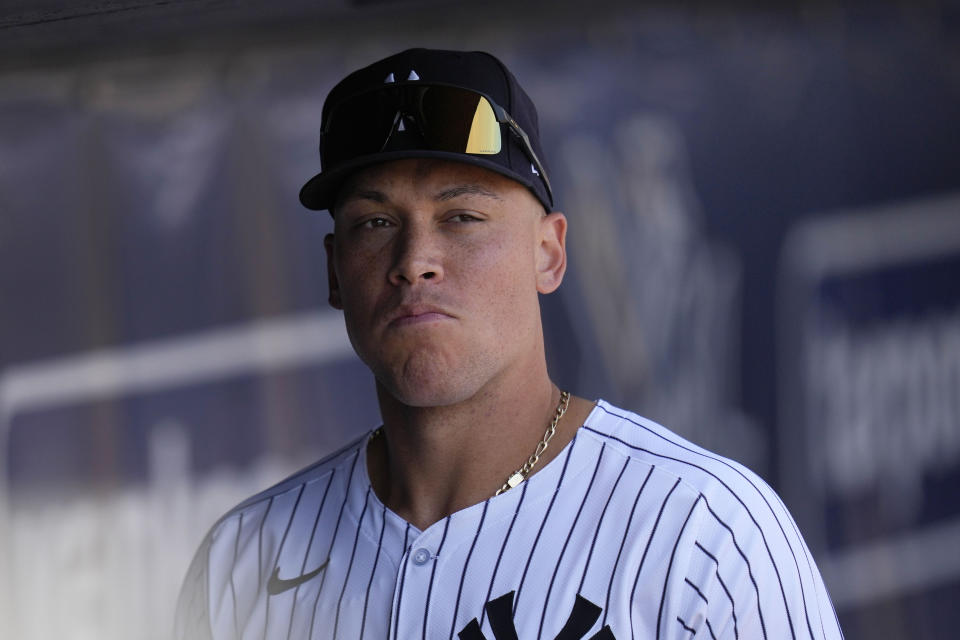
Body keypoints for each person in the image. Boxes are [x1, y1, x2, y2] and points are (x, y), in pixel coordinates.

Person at [175, 48, 843, 640]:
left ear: (548, 253)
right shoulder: (245, 562)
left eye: (461, 217)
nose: (415, 260)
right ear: (334, 273)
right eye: (375, 222)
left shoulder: (704, 537)